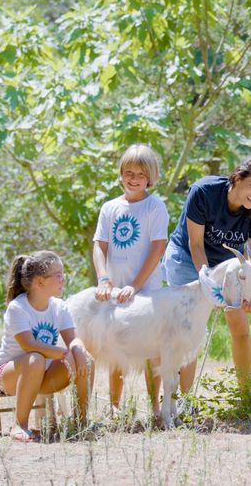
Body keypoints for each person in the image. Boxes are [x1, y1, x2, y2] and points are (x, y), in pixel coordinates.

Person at [164, 155, 251, 395]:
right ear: (237, 178)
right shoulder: (204, 191)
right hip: (187, 257)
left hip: (228, 263)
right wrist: (208, 284)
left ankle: (246, 395)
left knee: (239, 322)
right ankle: (185, 399)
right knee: (190, 328)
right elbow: (196, 245)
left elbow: (249, 263)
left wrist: (245, 294)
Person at [92, 144, 169, 416]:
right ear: (121, 174)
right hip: (114, 292)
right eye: (128, 172)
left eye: (140, 173)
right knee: (116, 346)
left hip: (145, 290)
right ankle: (114, 406)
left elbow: (157, 248)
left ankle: (155, 406)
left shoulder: (155, 207)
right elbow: (99, 246)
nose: (134, 178)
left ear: (151, 177)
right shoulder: (110, 208)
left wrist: (135, 286)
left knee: (152, 349)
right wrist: (104, 279)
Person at [0, 251, 93, 442]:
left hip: (43, 374)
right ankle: (19, 425)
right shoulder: (18, 308)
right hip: (10, 377)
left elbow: (73, 338)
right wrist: (64, 353)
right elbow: (29, 344)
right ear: (39, 282)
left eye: (62, 273)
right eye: (58, 275)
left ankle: (80, 422)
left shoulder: (59, 306)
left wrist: (77, 348)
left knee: (86, 360)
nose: (63, 279)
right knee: (35, 358)